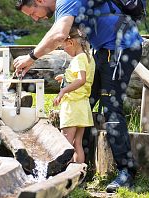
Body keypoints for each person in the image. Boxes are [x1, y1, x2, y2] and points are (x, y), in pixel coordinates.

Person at [13, 0, 143, 193]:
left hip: (121, 46)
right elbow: (55, 34)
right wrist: (33, 59)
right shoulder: (62, 6)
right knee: (83, 102)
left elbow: (59, 35)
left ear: (40, 0)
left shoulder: (66, 0)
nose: (35, 19)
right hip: (104, 49)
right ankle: (80, 166)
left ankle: (126, 172)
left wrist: (31, 57)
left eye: (33, 12)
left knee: (110, 107)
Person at [53, 26, 95, 163]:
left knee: (65, 144)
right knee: (78, 144)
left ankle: (64, 175)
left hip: (72, 106)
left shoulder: (78, 59)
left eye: (64, 47)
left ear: (70, 43)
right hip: (82, 106)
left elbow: (81, 80)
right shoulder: (88, 58)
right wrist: (64, 78)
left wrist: (63, 90)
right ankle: (79, 175)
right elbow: (82, 77)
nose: (64, 50)